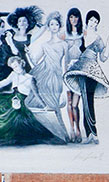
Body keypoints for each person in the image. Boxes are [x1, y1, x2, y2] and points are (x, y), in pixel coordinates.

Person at [0, 56, 64, 145]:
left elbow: (36, 95)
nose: (15, 69)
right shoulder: (14, 74)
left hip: (19, 102)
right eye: (13, 67)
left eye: (16, 66)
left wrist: (45, 106)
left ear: (21, 64)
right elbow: (4, 82)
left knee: (12, 116)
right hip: (10, 97)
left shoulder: (30, 79)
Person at [63, 9, 109, 144]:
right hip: (81, 71)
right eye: (91, 20)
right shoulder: (81, 35)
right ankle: (90, 133)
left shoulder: (97, 38)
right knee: (85, 101)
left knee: (89, 101)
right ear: (87, 20)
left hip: (92, 71)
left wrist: (108, 40)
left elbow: (103, 57)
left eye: (96, 21)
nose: (93, 23)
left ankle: (93, 133)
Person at [26, 11, 68, 140]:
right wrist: (27, 53)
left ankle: (64, 135)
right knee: (44, 107)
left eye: (56, 24)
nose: (54, 26)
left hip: (56, 76)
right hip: (44, 74)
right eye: (51, 24)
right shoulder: (44, 45)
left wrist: (65, 80)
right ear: (48, 27)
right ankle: (50, 135)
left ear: (59, 26)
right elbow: (35, 61)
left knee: (55, 107)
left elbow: (64, 64)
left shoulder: (64, 44)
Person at [63, 7, 83, 142]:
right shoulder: (63, 34)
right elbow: (64, 56)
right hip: (67, 70)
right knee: (69, 103)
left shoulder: (83, 34)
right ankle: (71, 129)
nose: (73, 20)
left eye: (75, 17)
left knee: (76, 104)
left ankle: (78, 128)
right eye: (71, 17)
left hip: (79, 71)